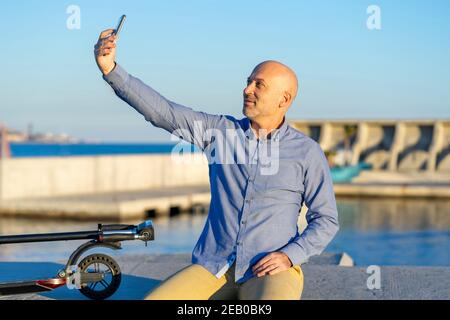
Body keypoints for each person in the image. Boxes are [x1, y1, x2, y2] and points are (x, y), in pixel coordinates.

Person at [94, 29, 339, 300]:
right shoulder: (220, 132)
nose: (247, 90)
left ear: (284, 100)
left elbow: (326, 219)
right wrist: (111, 70)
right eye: (248, 82)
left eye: (259, 85)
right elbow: (164, 112)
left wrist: (290, 256)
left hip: (269, 270)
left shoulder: (307, 152)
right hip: (213, 266)